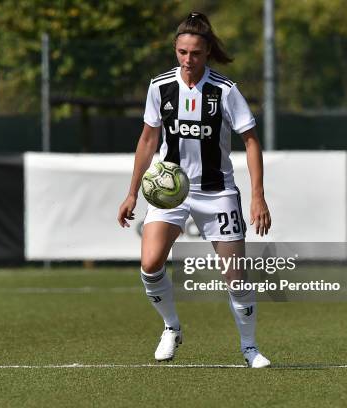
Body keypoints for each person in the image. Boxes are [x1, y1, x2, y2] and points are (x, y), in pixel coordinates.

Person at [117, 11, 272, 368]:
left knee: (235, 274)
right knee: (150, 263)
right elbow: (147, 139)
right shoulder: (159, 87)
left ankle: (249, 348)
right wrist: (131, 193)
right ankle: (171, 327)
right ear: (175, 50)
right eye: (182, 52)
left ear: (207, 52)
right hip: (171, 191)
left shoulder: (225, 90)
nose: (188, 60)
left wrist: (257, 194)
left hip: (217, 192)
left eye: (196, 54)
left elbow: (250, 141)